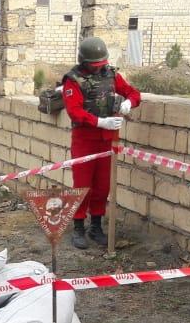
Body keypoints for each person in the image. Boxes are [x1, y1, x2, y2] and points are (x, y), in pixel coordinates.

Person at [61, 36, 142, 249]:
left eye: (101, 65)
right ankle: (78, 226)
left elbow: (134, 93)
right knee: (82, 185)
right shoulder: (73, 80)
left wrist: (128, 103)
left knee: (102, 186)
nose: (98, 69)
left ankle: (96, 226)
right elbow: (74, 111)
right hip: (85, 139)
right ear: (84, 61)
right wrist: (99, 121)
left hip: (107, 141)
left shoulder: (111, 74)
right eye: (94, 65)